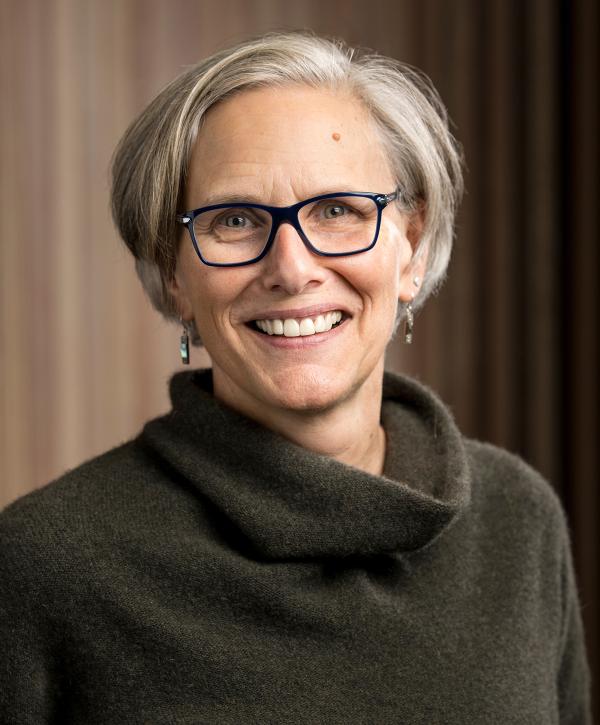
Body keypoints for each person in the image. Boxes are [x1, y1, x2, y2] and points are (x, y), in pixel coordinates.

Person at [0, 31, 591, 723]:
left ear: (411, 247)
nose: (292, 267)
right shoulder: (47, 564)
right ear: (173, 275)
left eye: (338, 211)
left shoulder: (517, 519)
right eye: (236, 219)